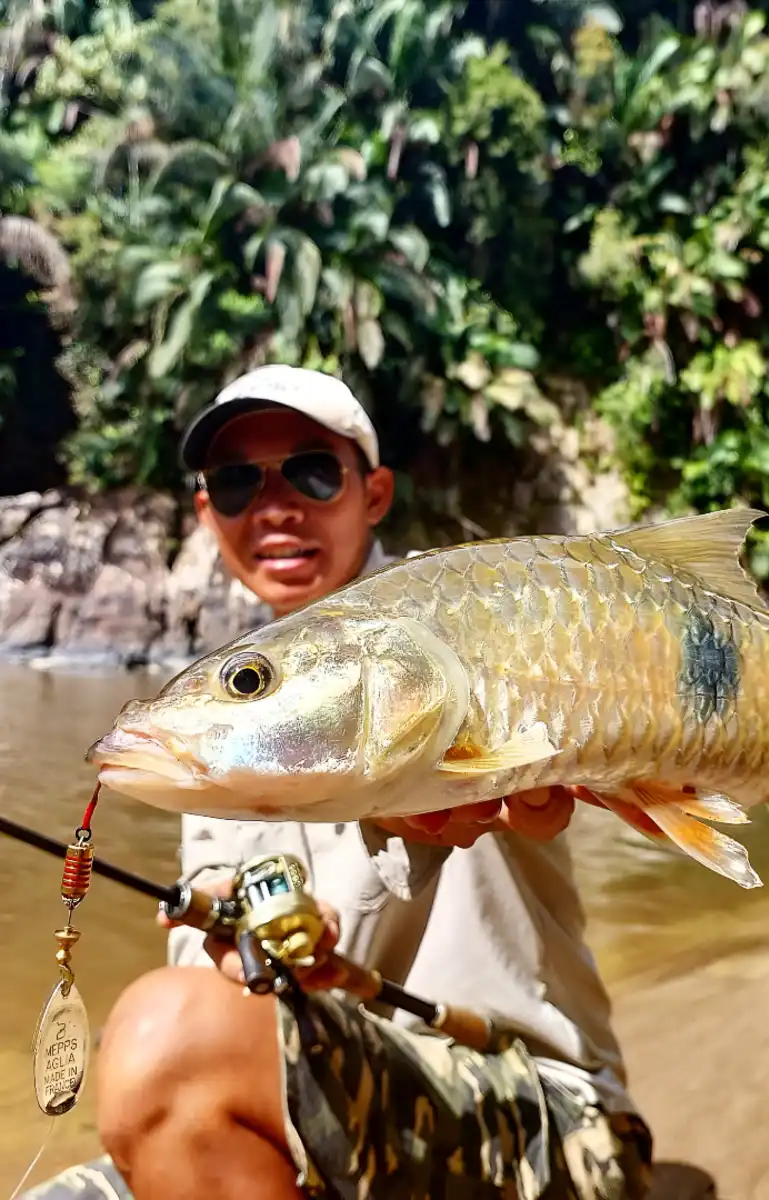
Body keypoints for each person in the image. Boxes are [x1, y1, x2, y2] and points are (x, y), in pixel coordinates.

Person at [25, 365, 653, 1200]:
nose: (276, 507)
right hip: (317, 1113)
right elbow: (203, 984)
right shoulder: (222, 715)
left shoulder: (476, 618)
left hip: (549, 1125)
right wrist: (235, 947)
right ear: (208, 513)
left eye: (313, 472)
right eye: (238, 481)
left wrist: (430, 814)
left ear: (375, 493)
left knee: (163, 1038)